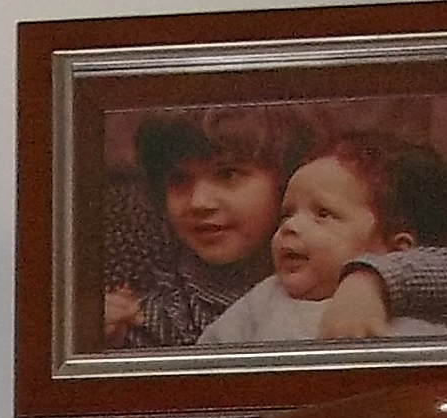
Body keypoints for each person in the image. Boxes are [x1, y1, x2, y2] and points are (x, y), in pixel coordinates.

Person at [210, 131, 447, 345]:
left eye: (323, 213)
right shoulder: (265, 297)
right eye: (287, 214)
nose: (290, 226)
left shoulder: (415, 318)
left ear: (398, 252)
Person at [105, 104, 306, 344]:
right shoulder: (152, 317)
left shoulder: (338, 270)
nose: (198, 202)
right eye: (179, 180)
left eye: (228, 174)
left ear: (285, 181)